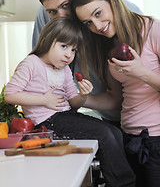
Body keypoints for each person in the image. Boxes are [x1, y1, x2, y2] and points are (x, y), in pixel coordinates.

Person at [4, 17, 136, 187]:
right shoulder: (31, 63)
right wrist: (44, 100)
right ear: (48, 40)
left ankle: (118, 182)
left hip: (66, 115)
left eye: (74, 50)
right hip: (47, 122)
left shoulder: (64, 69)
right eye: (64, 46)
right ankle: (125, 184)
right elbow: (10, 94)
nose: (69, 54)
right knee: (104, 134)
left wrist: (83, 94)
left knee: (115, 132)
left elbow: (74, 102)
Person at [70, 0, 160, 187]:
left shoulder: (152, 29)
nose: (97, 25)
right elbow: (114, 99)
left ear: (112, 1)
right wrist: (81, 99)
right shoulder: (110, 46)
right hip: (128, 139)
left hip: (156, 140)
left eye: (98, 13)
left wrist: (142, 73)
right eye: (88, 23)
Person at [32, 0, 143, 127]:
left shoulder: (122, 13)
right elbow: (42, 67)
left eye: (66, 6)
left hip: (144, 115)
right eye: (53, 11)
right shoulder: (46, 14)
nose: (61, 17)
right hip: (108, 114)